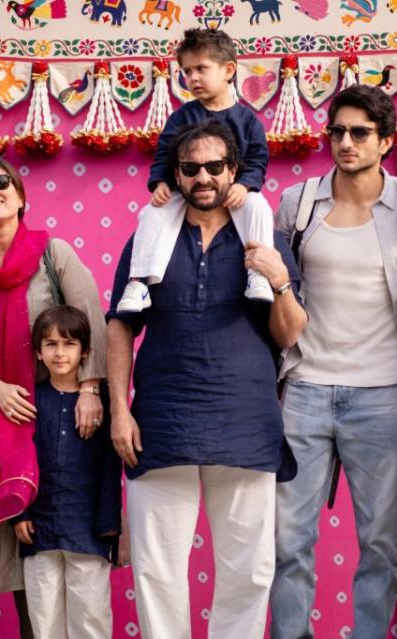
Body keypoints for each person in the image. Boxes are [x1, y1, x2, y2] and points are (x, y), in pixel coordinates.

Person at [107, 119, 307, 638]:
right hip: (162, 422)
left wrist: (280, 280)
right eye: (191, 167)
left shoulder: (264, 239)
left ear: (233, 171)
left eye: (215, 167)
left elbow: (289, 335)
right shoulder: (149, 238)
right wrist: (120, 411)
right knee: (157, 570)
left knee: (250, 569)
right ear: (176, 173)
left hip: (245, 423)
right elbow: (120, 328)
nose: (203, 177)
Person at [0, 157, 107, 636]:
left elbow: (91, 321)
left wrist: (91, 390)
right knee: (13, 544)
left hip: (61, 417)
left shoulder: (54, 254)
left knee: (60, 532)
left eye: (0, 182)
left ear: (19, 194)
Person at [269, 84, 397, 639]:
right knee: (289, 538)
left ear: (385, 140)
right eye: (337, 131)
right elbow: (273, 290)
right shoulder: (299, 203)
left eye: (359, 133)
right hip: (304, 388)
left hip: (384, 392)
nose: (346, 142)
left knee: (380, 539)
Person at [116, 27, 275, 312]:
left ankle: (258, 274)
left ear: (228, 70)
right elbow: (165, 152)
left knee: (259, 207)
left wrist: (244, 185)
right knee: (151, 213)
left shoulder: (247, 120)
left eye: (201, 68)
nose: (193, 78)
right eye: (187, 71)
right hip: (186, 192)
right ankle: (139, 282)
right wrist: (160, 182)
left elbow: (258, 158)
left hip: (234, 192)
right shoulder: (182, 116)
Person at [12, 305, 121, 639]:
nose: (60, 352)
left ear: (85, 350)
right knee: (44, 622)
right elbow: (18, 460)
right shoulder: (28, 401)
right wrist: (20, 513)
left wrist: (108, 526)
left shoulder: (101, 403)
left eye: (69, 344)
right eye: (51, 344)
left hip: (88, 531)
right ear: (38, 352)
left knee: (91, 620)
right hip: (39, 530)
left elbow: (109, 466)